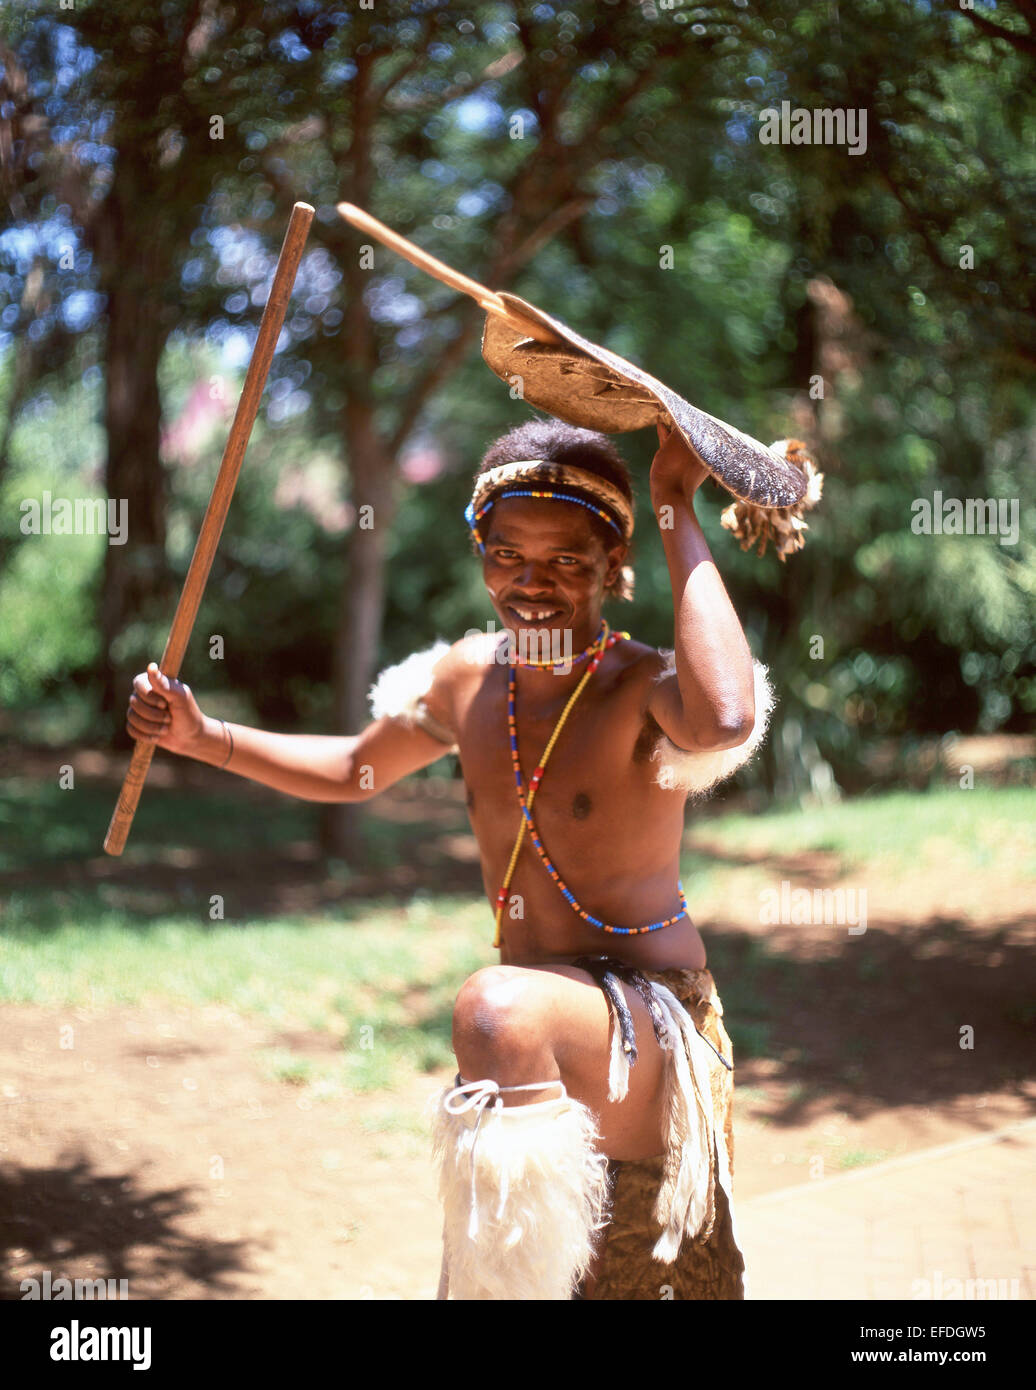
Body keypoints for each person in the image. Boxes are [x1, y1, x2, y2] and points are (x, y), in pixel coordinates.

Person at [126, 416, 773, 1300]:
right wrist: (208, 739)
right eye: (508, 555)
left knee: (496, 1011)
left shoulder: (641, 686)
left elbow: (729, 719)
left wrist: (671, 504)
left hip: (652, 1032)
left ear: (614, 566)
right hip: (534, 1050)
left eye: (566, 562)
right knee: (508, 1054)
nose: (531, 585)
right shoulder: (466, 679)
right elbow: (357, 769)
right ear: (479, 551)